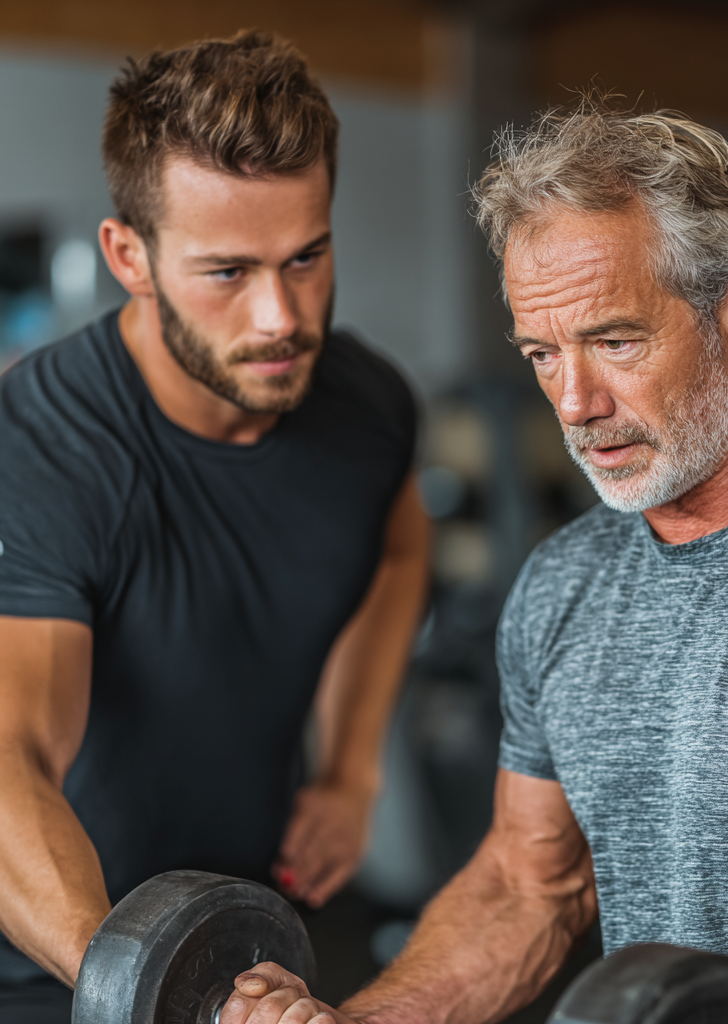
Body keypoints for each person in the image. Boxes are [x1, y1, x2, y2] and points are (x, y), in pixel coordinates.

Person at [227, 100, 728, 1024]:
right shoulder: (564, 583)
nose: (573, 402)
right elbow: (532, 886)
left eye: (613, 341)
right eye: (542, 354)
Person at [0, 30, 430, 1023]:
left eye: (307, 257)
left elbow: (398, 545)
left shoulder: (368, 409)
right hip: (44, 957)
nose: (281, 315)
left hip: (242, 943)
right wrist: (141, 980)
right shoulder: (43, 444)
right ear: (129, 257)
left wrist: (349, 765)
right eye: (227, 271)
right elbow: (11, 755)